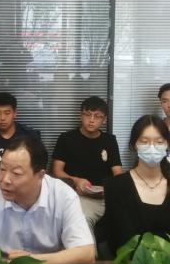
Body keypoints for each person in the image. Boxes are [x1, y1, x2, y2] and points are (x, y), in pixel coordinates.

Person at [0, 135, 95, 264]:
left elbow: (86, 253)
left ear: (40, 175)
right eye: (2, 169)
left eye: (16, 173)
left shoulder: (63, 195)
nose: (5, 180)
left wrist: (30, 261)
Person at [103, 115, 170, 254]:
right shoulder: (116, 186)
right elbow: (119, 241)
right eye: (144, 141)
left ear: (167, 145)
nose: (152, 147)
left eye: (159, 142)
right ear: (134, 145)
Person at [52, 96, 122, 227]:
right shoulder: (66, 138)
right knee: (83, 218)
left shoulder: (110, 141)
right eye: (88, 114)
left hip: (103, 195)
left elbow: (118, 174)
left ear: (104, 120)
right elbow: (57, 172)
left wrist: (108, 189)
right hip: (76, 194)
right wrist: (76, 181)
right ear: (80, 116)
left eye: (98, 116)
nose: (91, 120)